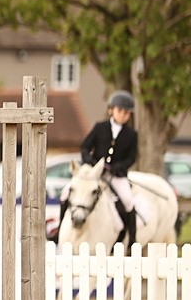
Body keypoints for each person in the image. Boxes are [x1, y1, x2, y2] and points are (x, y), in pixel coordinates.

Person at [57, 90, 138, 244]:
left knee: (128, 201)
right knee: (65, 194)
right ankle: (60, 228)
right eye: (120, 110)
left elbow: (131, 158)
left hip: (115, 175)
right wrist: (93, 164)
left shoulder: (131, 134)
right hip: (93, 174)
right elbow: (85, 148)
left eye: (127, 112)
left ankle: (132, 239)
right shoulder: (100, 127)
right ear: (111, 110)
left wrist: (115, 168)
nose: (123, 114)